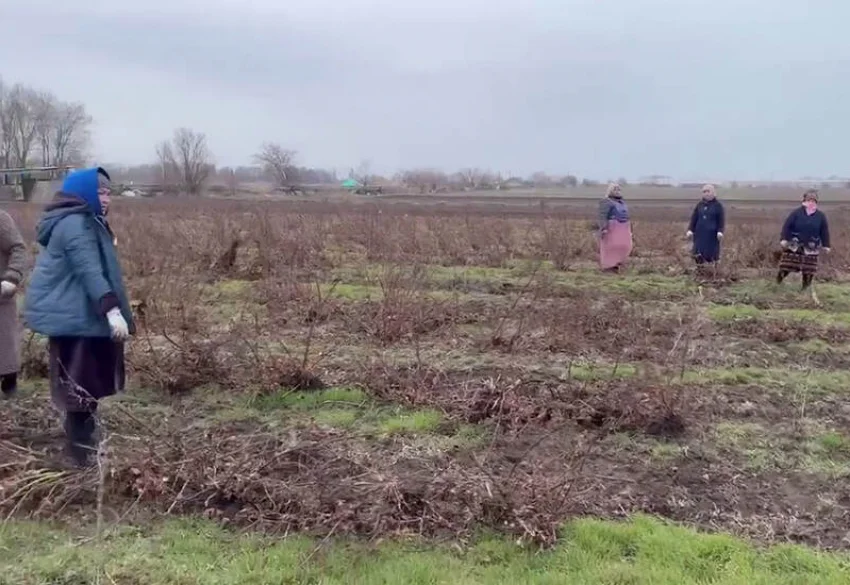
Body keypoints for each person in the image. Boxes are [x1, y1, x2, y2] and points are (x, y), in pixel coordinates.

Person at [24, 167, 134, 467]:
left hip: (82, 316)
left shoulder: (87, 220)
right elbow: (89, 270)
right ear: (83, 193)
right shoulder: (75, 224)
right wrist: (112, 310)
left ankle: (83, 447)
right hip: (75, 320)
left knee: (86, 385)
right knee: (79, 387)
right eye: (100, 192)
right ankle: (79, 455)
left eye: (109, 193)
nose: (106, 198)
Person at [777, 189, 830, 290]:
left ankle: (805, 289)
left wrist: (826, 245)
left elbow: (824, 231)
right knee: (786, 266)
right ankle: (777, 283)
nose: (811, 202)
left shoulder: (820, 216)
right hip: (794, 244)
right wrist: (784, 239)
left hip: (812, 246)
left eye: (813, 201)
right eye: (809, 200)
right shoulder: (796, 213)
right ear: (804, 201)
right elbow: (787, 226)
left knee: (809, 269)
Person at [0, 209, 26, 398]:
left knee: (5, 345)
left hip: (2, 294)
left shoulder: (1, 218)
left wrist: (12, 276)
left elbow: (18, 248)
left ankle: (10, 386)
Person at [686, 184, 725, 267]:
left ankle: (712, 270)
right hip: (699, 234)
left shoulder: (718, 206)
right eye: (704, 192)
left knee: (711, 254)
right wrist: (690, 230)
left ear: (713, 193)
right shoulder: (699, 205)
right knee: (698, 253)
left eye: (708, 191)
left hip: (712, 235)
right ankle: (699, 269)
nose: (706, 193)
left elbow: (721, 220)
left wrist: (720, 231)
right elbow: (694, 218)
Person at [597, 183, 632, 272]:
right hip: (611, 228)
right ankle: (608, 267)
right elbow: (602, 216)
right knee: (611, 246)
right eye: (615, 189)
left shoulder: (622, 203)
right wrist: (603, 228)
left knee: (625, 246)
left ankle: (617, 264)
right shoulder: (606, 202)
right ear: (610, 191)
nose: (617, 191)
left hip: (623, 228)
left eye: (618, 189)